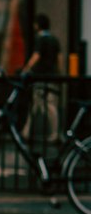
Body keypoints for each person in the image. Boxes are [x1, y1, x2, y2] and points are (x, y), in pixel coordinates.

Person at [21, 12, 61, 147]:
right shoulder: (54, 40)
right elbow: (59, 59)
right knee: (49, 105)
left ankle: (28, 133)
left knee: (39, 104)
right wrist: (59, 73)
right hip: (52, 77)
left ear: (38, 25)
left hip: (41, 76)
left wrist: (26, 69)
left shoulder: (40, 39)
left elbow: (36, 56)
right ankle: (50, 133)